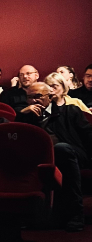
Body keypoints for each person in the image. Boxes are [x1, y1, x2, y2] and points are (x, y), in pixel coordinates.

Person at [15, 83, 92, 231]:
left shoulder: (70, 111)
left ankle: (75, 213)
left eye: (38, 96)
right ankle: (23, 214)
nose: (33, 101)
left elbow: (88, 135)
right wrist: (23, 116)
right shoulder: (26, 116)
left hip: (72, 152)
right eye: (30, 97)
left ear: (50, 97)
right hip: (39, 156)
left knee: (61, 148)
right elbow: (15, 138)